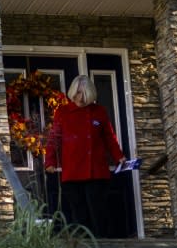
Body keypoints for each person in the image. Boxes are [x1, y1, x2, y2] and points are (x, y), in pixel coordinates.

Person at [44, 75, 127, 237]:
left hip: (96, 171)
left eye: (84, 93)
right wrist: (50, 161)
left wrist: (119, 157)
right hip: (73, 172)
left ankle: (104, 246)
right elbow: (54, 139)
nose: (80, 97)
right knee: (78, 214)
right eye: (77, 93)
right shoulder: (63, 112)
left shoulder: (99, 112)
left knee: (99, 212)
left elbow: (109, 138)